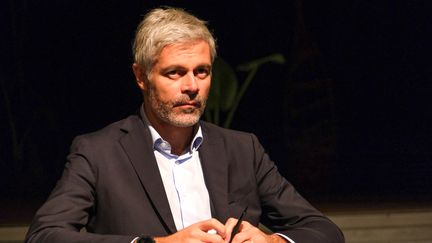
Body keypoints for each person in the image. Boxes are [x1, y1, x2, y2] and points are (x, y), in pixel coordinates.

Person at [25, 7, 344, 243]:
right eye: (175, 72)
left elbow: (325, 231)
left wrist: (273, 241)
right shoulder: (99, 152)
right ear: (141, 76)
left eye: (202, 71)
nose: (192, 86)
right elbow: (44, 236)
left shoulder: (241, 149)